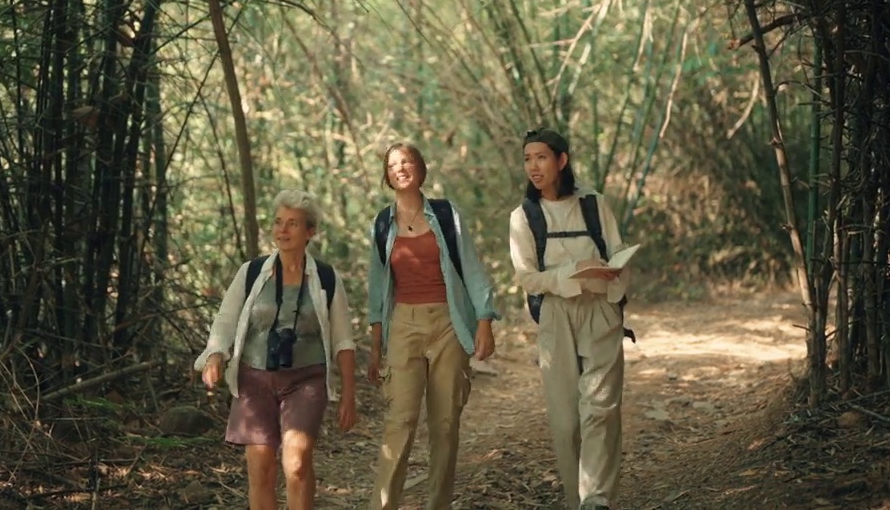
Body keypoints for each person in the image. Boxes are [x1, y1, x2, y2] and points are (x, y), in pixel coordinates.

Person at [194, 189, 357, 510]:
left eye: (292, 224)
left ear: (310, 232)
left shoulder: (325, 277)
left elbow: (343, 340)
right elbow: (225, 321)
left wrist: (349, 394)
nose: (282, 230)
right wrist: (215, 355)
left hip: (307, 378)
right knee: (261, 467)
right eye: (278, 222)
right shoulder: (252, 272)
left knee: (296, 462)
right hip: (254, 378)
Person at [367, 142, 499, 510]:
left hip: (448, 324)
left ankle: (438, 504)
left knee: (444, 426)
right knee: (400, 422)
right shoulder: (382, 224)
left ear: (420, 168)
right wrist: (375, 347)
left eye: (407, 161)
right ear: (387, 176)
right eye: (393, 164)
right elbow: (377, 291)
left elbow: (471, 268)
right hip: (403, 326)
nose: (400, 168)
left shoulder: (446, 214)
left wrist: (484, 320)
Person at [509, 128, 632, 510]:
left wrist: (611, 280)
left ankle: (596, 499)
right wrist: (572, 273)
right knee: (566, 421)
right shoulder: (523, 216)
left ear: (562, 160)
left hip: (600, 310)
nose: (533, 166)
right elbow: (526, 276)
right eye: (528, 158)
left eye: (541, 157)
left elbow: (619, 253)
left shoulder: (595, 204)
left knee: (601, 408)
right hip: (555, 315)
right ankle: (574, 497)